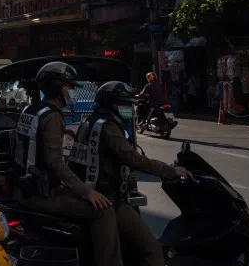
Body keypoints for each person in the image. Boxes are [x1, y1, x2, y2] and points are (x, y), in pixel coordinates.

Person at [12, 62, 123, 266]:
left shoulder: (32, 109)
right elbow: (55, 163)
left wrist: (66, 134)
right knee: (104, 210)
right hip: (42, 194)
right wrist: (87, 192)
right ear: (57, 87)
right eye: (69, 87)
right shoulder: (52, 116)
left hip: (25, 188)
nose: (73, 91)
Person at [69, 82, 192, 266]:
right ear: (110, 105)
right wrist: (171, 171)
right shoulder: (108, 128)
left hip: (95, 195)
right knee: (150, 249)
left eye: (129, 105)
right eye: (123, 105)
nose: (128, 110)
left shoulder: (89, 122)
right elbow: (133, 159)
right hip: (106, 200)